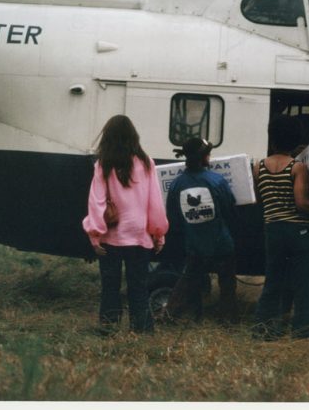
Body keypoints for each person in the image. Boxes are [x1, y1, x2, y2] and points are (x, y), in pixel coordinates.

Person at [252, 115, 309, 340]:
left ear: (272, 141)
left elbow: (260, 200)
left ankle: (264, 329)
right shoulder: (297, 167)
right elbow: (302, 203)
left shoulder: (258, 167)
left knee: (273, 281)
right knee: (304, 283)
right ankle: (305, 330)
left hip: (272, 229)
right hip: (298, 231)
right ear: (295, 141)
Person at [82, 115, 169, 334]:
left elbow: (96, 201)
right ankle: (142, 330)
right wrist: (158, 234)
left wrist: (94, 234)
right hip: (139, 236)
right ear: (133, 135)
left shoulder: (103, 164)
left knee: (109, 287)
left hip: (110, 237)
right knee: (138, 286)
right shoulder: (146, 161)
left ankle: (109, 329)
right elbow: (155, 202)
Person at [164, 137, 238, 323]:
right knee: (227, 283)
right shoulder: (217, 181)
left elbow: (173, 217)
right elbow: (230, 210)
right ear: (204, 157)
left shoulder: (176, 184)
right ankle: (228, 319)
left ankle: (169, 314)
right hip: (221, 243)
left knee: (188, 280)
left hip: (195, 245)